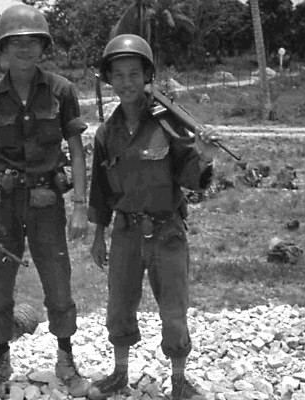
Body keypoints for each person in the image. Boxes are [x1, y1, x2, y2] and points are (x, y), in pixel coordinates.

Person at [0, 4, 89, 399]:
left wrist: (81, 206)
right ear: (3, 48)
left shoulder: (61, 90)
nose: (25, 48)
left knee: (58, 281)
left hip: (46, 201)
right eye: (16, 42)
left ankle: (66, 358)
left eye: (33, 41)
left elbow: (76, 147)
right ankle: (1, 360)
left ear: (43, 45)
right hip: (1, 204)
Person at [87, 34, 218, 400]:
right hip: (126, 233)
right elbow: (101, 189)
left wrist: (204, 156)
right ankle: (119, 373)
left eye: (134, 73)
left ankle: (178, 380)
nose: (127, 82)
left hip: (167, 232)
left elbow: (189, 175)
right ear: (109, 80)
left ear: (147, 76)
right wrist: (99, 235)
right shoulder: (105, 134)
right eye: (119, 75)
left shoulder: (168, 123)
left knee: (174, 310)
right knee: (119, 307)